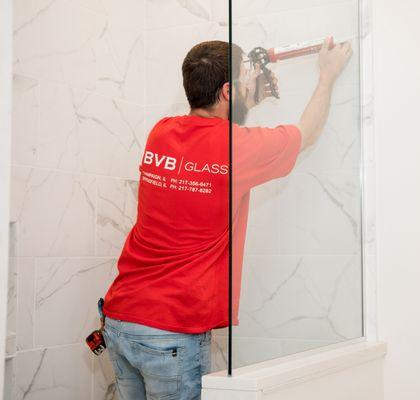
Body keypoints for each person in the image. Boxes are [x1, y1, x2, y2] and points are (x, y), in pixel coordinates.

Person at [100, 37, 352, 400]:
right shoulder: (238, 147)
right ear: (228, 91)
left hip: (121, 318)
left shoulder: (161, 133)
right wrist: (327, 76)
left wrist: (245, 96)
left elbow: (210, 141)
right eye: (244, 80)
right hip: (172, 330)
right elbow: (306, 134)